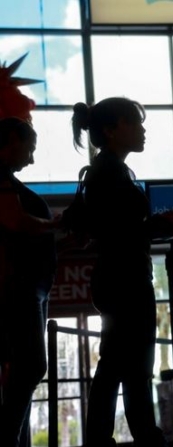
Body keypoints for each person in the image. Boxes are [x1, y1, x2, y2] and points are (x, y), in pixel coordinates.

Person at [72, 97, 173, 447]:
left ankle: (123, 437)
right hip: (125, 279)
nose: (143, 130)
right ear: (112, 131)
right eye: (135, 123)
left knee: (118, 365)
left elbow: (119, 229)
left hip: (117, 279)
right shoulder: (110, 173)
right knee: (129, 367)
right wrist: (170, 223)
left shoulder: (108, 170)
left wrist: (167, 223)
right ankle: (142, 436)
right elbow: (123, 232)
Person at [0, 117, 59, 447]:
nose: (31, 159)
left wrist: (59, 240)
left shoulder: (8, 181)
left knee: (24, 367)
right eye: (29, 149)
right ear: (10, 141)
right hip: (18, 286)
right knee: (31, 365)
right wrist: (56, 225)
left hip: (27, 286)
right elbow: (15, 222)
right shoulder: (1, 179)